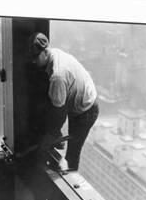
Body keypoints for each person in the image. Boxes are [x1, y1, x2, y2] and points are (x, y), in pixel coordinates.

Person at [27, 32, 99, 171]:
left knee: (72, 153)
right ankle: (56, 139)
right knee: (53, 130)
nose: (33, 61)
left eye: (35, 57)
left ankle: (71, 182)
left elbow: (59, 113)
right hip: (78, 100)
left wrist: (50, 136)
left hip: (86, 110)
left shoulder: (58, 76)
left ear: (45, 51)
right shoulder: (55, 53)